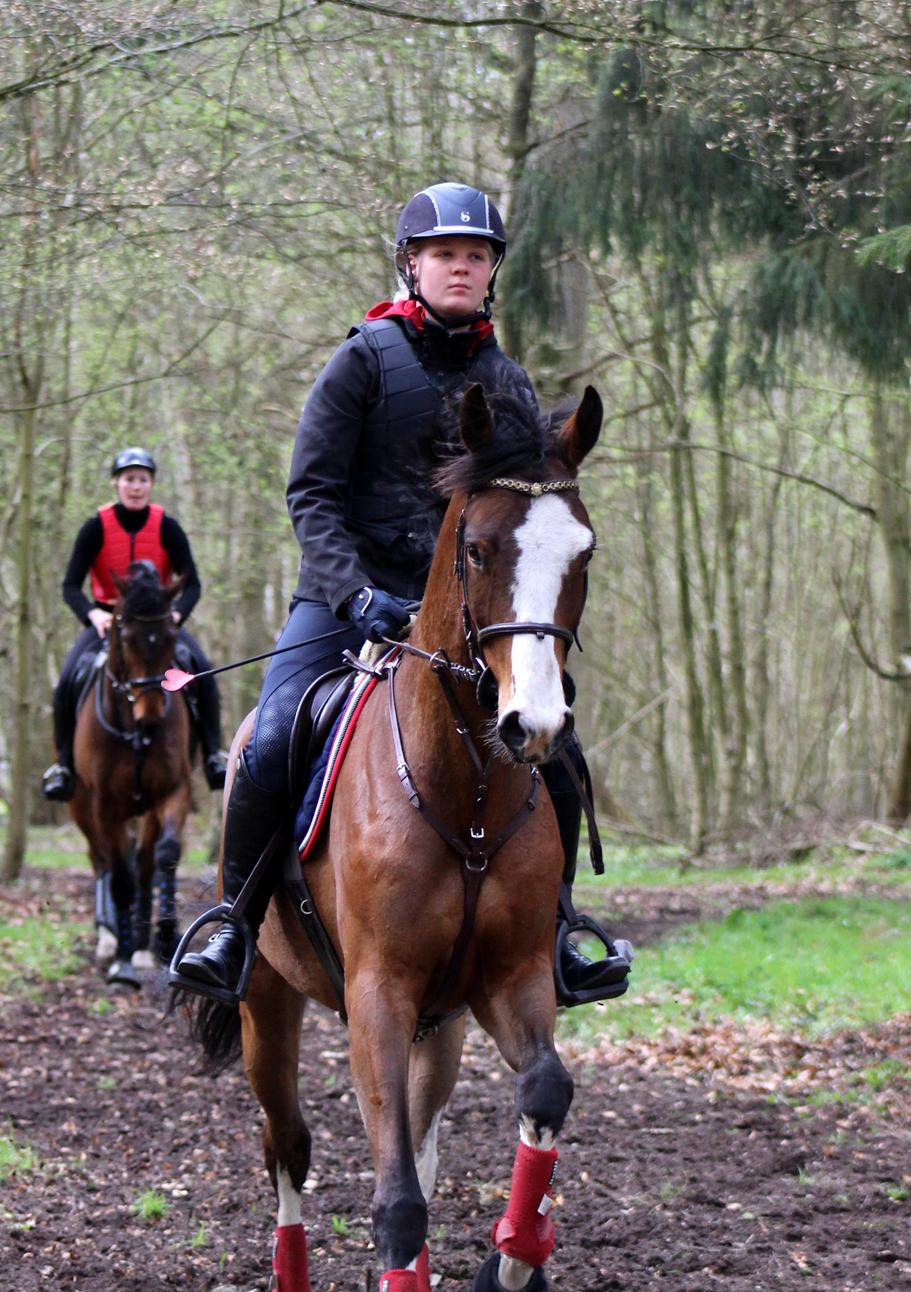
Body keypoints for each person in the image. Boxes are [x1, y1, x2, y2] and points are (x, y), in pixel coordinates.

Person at [175, 181, 627, 1005]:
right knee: (273, 734)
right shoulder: (361, 360)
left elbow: (523, 516)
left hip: (463, 615)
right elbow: (310, 492)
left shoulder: (507, 379)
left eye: (476, 257)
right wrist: (352, 594)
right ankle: (232, 923)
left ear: (492, 274)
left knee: (554, 740)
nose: (462, 268)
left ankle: (559, 929)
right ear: (411, 264)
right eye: (445, 254)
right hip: (346, 597)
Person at [42, 448, 228, 801]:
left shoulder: (168, 527)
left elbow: (193, 584)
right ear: (116, 483)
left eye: (142, 479)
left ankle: (213, 757)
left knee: (202, 670)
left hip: (157, 622)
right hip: (107, 621)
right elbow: (70, 586)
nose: (136, 486)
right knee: (67, 678)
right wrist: (92, 614)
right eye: (129, 479)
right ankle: (63, 767)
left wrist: (176, 614)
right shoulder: (95, 527)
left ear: (151, 484)